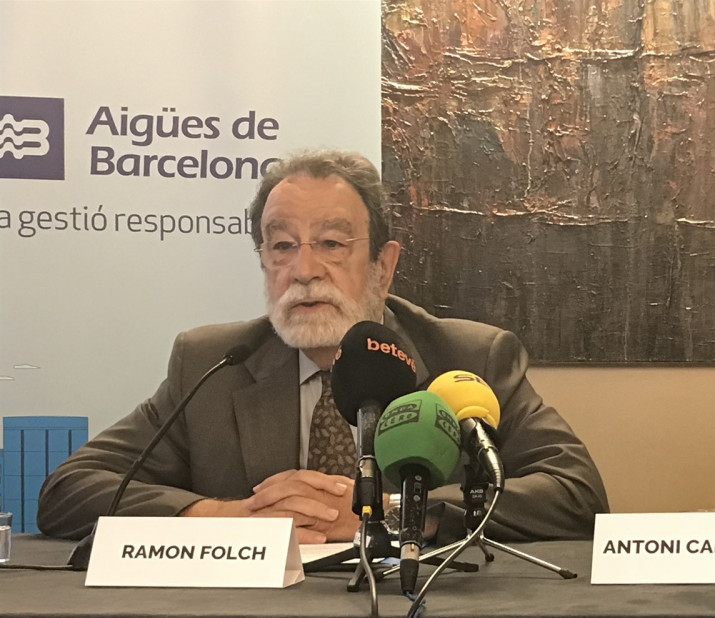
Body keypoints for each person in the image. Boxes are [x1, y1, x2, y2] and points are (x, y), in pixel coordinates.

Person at [38, 150, 607, 544]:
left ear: (383, 265)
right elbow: (69, 490)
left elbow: (578, 495)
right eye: (282, 246)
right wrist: (228, 516)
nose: (304, 269)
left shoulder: (469, 358)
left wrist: (391, 514)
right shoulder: (213, 363)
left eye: (331, 243)